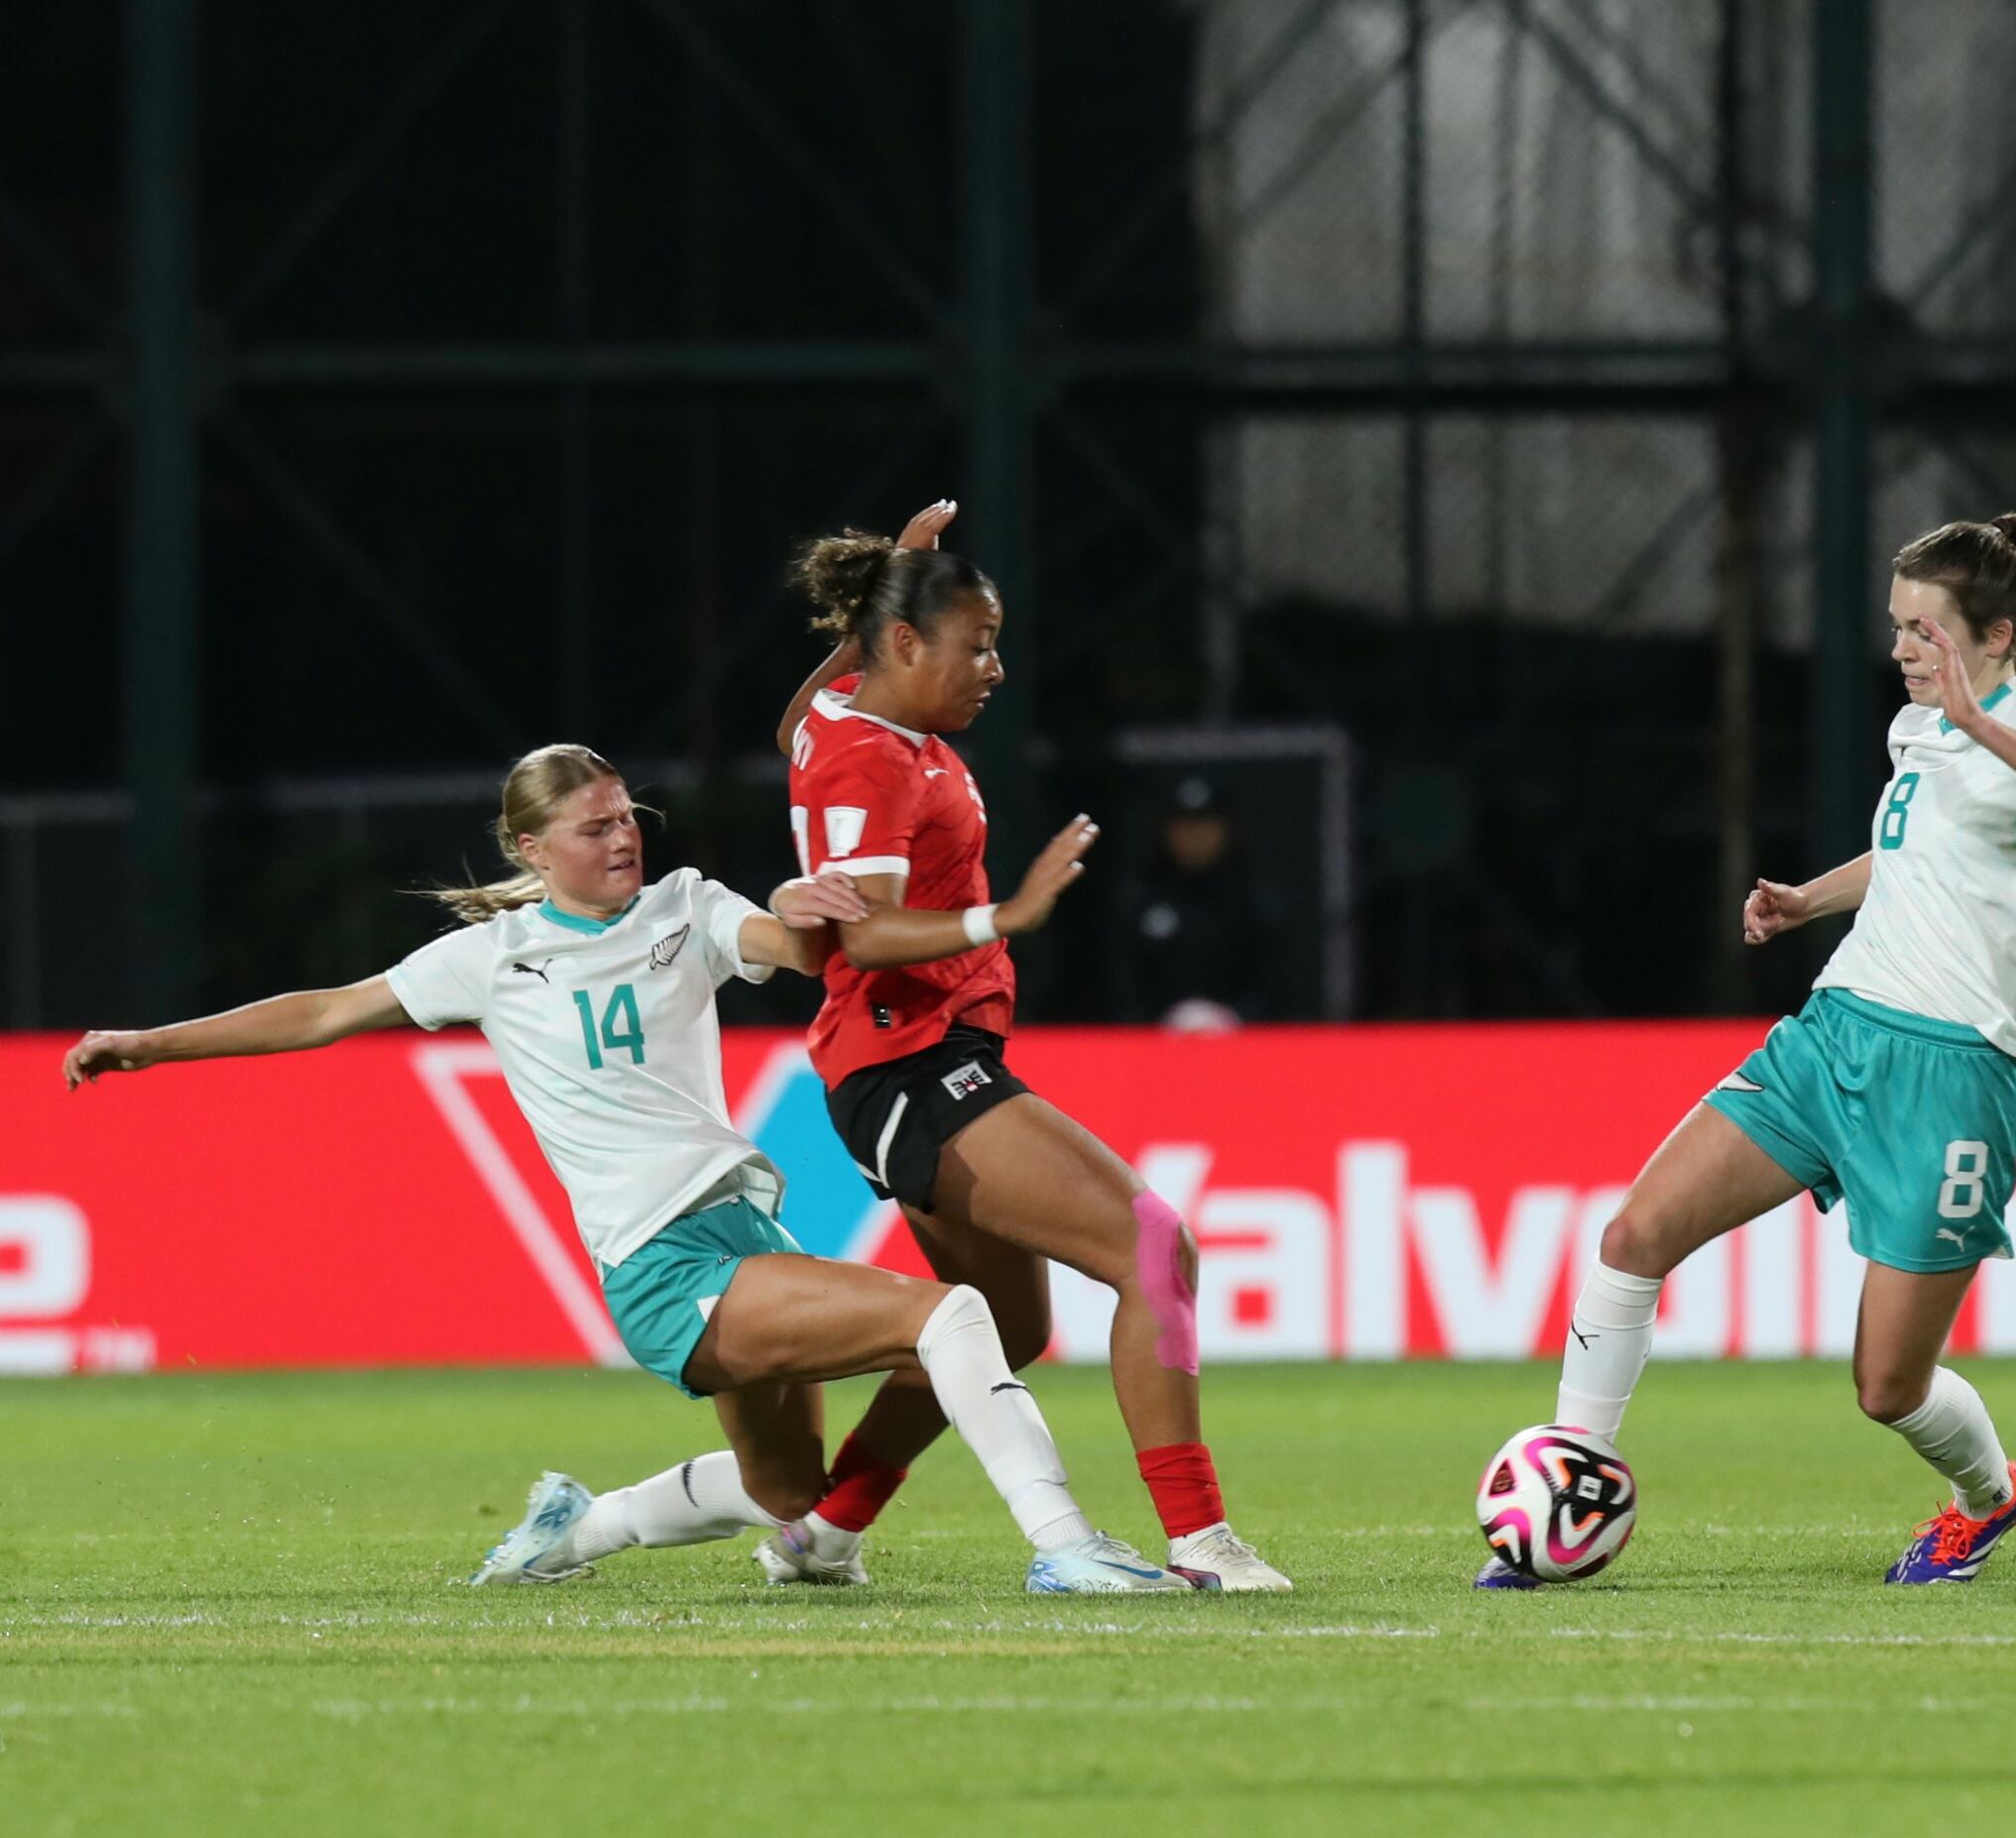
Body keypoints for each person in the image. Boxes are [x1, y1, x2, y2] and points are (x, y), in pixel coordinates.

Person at [61, 742, 1184, 1596]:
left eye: (625, 818)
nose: (621, 839)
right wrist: (153, 1045)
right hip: (660, 1260)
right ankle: (1067, 1548)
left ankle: (579, 1528)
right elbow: (322, 1013)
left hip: (746, 1234)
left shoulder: (685, 908)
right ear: (531, 851)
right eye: (593, 828)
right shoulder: (491, 959)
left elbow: (788, 951)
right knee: (950, 1318)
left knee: (780, 1490)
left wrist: (802, 915)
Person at [1483, 512, 2016, 1589]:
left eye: (1925, 630)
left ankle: (1990, 1495)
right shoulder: (1917, 729)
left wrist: (1982, 721)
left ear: (1996, 637)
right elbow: (1910, 857)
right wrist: (1807, 902)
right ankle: (1574, 1479)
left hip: (1953, 1074)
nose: (1904, 650)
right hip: (1832, 1038)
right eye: (1898, 627)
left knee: (1887, 1385)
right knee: (1636, 1232)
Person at [754, 521, 1292, 1593]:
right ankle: (1202, 1541)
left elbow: (791, 725)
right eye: (978, 643)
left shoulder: (842, 723)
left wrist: (873, 615)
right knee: (1154, 1248)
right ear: (906, 645)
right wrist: (1006, 914)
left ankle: (824, 1533)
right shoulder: (869, 757)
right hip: (910, 1063)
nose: (996, 668)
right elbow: (863, 934)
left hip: (900, 1067)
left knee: (1001, 1324)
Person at [1112, 775, 1278, 1030]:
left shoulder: (1254, 901)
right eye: (1185, 826)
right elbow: (1124, 985)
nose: (1195, 836)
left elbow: (1274, 984)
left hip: (1244, 1045)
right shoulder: (1139, 899)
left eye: (1204, 826)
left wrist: (1232, 1020)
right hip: (1151, 1046)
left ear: (1225, 830)